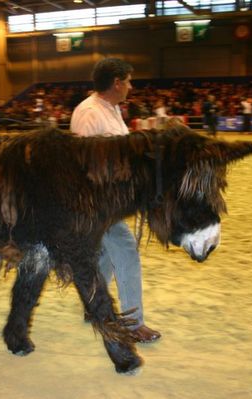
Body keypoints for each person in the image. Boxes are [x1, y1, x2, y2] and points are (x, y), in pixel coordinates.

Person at [70, 58, 161, 343]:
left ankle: (93, 305)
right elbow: (84, 164)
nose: (131, 87)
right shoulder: (88, 113)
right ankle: (134, 323)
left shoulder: (112, 109)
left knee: (107, 254)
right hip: (97, 201)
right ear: (117, 82)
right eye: (129, 81)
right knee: (126, 251)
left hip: (114, 199)